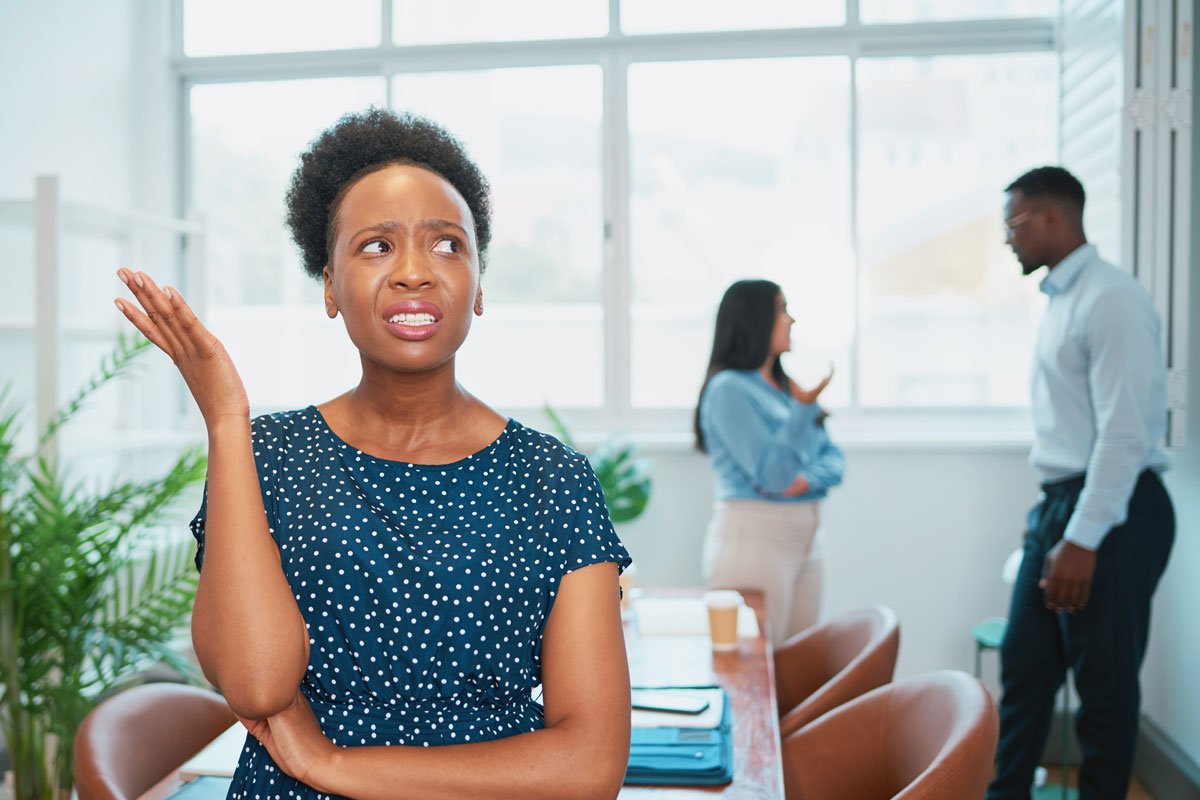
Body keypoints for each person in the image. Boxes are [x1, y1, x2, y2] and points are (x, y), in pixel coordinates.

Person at [113, 108, 633, 800]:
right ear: (329, 285)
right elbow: (256, 681)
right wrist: (227, 421)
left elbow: (591, 764)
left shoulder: (552, 479)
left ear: (480, 283)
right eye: (376, 247)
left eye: (447, 245)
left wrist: (333, 765)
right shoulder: (263, 454)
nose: (414, 273)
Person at [987, 166, 1175, 800]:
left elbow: (1122, 434)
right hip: (1062, 503)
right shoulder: (1064, 299)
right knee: (1025, 667)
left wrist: (1085, 537)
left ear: (1051, 218)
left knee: (1104, 690)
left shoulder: (1111, 297)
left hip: (1114, 509)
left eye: (1014, 224)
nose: (1008, 239)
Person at [693, 279, 844, 645]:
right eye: (782, 309)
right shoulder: (729, 389)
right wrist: (803, 410)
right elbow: (775, 477)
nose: (791, 321)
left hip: (806, 538)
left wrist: (806, 480)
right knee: (753, 665)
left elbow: (835, 460)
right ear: (754, 320)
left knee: (795, 663)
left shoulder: (785, 388)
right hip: (756, 538)